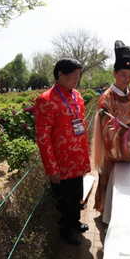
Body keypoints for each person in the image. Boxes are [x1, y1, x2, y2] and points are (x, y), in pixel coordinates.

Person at [34, 58, 91, 246]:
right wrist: (52, 169)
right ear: (61, 74)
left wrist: (85, 158)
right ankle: (64, 229)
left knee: (76, 196)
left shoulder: (77, 96)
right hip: (61, 162)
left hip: (77, 159)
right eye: (74, 74)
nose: (77, 78)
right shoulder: (45, 100)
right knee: (63, 201)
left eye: (79, 74)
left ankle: (74, 221)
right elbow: (43, 138)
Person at [92, 40, 130, 213]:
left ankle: (123, 212)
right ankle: (107, 214)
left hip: (127, 147)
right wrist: (126, 136)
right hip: (111, 148)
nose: (127, 79)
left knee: (126, 180)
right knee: (109, 178)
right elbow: (106, 127)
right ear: (114, 73)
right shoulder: (107, 96)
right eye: (123, 75)